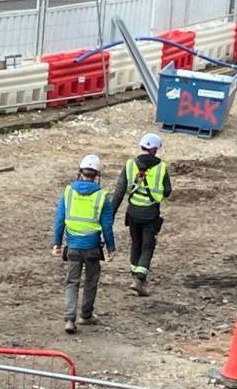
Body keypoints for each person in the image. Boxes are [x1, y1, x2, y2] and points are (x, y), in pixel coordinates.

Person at [54, 154, 117, 333]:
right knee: (91, 281)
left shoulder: (68, 192)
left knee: (72, 282)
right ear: (97, 175)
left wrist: (57, 243)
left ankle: (69, 319)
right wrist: (111, 248)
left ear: (80, 172)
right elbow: (107, 225)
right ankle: (86, 315)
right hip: (92, 248)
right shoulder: (102, 196)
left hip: (73, 246)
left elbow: (60, 220)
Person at [122, 132, 171, 295]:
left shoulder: (130, 165)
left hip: (133, 213)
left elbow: (119, 191)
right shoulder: (161, 167)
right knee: (147, 245)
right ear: (155, 150)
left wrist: (110, 214)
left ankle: (134, 275)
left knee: (136, 243)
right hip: (150, 214)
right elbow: (168, 191)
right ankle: (140, 278)